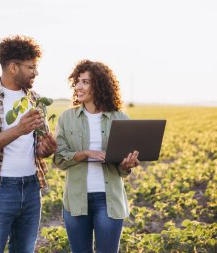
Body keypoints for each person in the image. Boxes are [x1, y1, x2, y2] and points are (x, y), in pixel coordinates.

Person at [0, 35, 57, 253]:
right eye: (31, 67)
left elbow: (37, 147)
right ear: (13, 67)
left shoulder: (35, 98)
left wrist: (46, 149)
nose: (35, 72)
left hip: (30, 187)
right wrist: (19, 129)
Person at [53, 60, 140, 253]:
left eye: (85, 82)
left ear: (99, 85)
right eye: (77, 81)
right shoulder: (66, 118)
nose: (78, 87)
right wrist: (85, 154)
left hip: (108, 201)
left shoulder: (120, 119)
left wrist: (126, 166)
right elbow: (59, 159)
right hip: (76, 200)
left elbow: (122, 169)